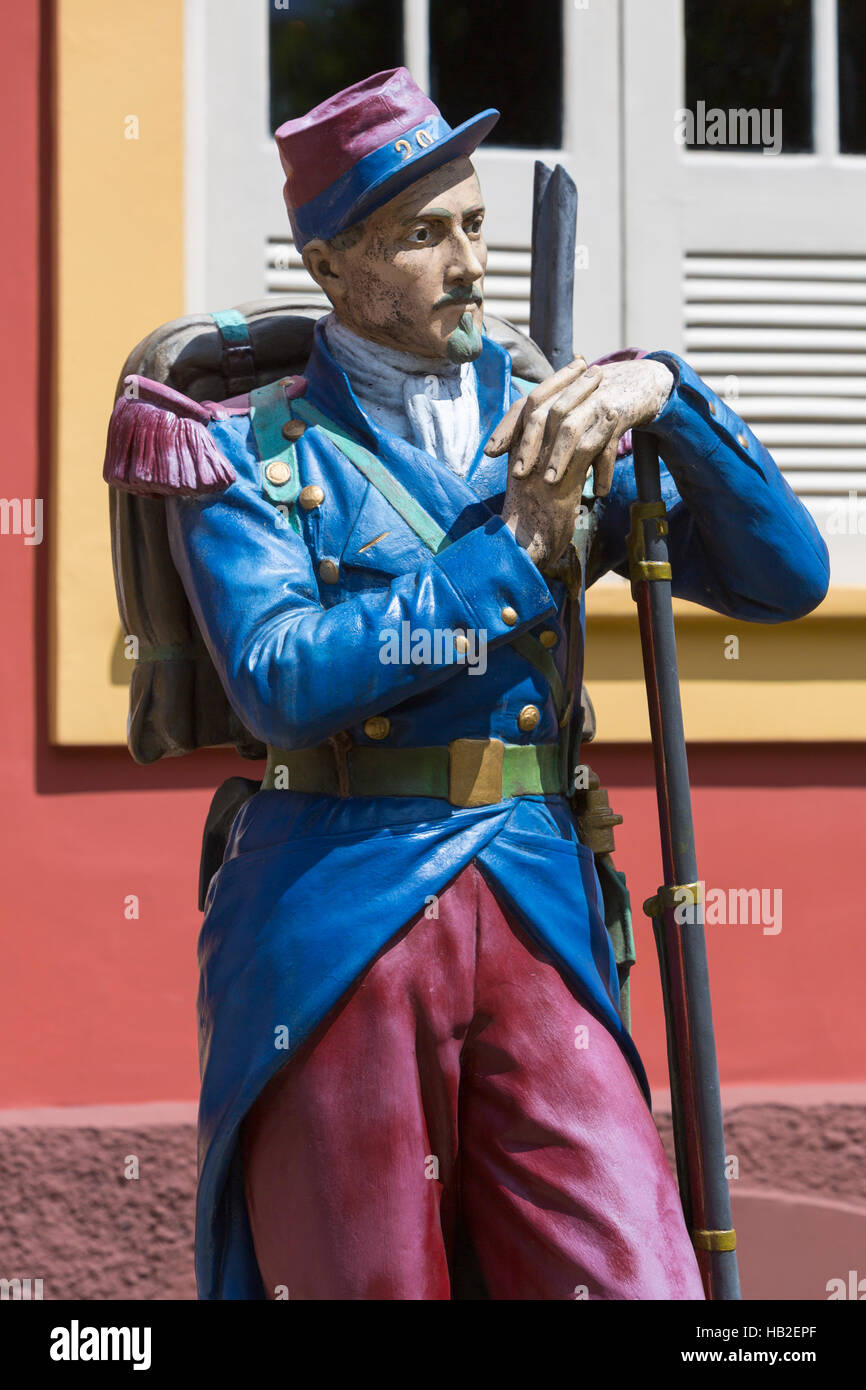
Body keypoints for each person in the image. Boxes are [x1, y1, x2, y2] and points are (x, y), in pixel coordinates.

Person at [104, 68, 829, 1300]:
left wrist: (664, 389)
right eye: (422, 235)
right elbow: (282, 676)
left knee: (629, 1277)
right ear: (331, 266)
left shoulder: (556, 415)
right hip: (340, 912)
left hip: (539, 891)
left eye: (477, 226)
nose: (469, 264)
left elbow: (784, 577)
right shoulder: (247, 449)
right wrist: (513, 556)